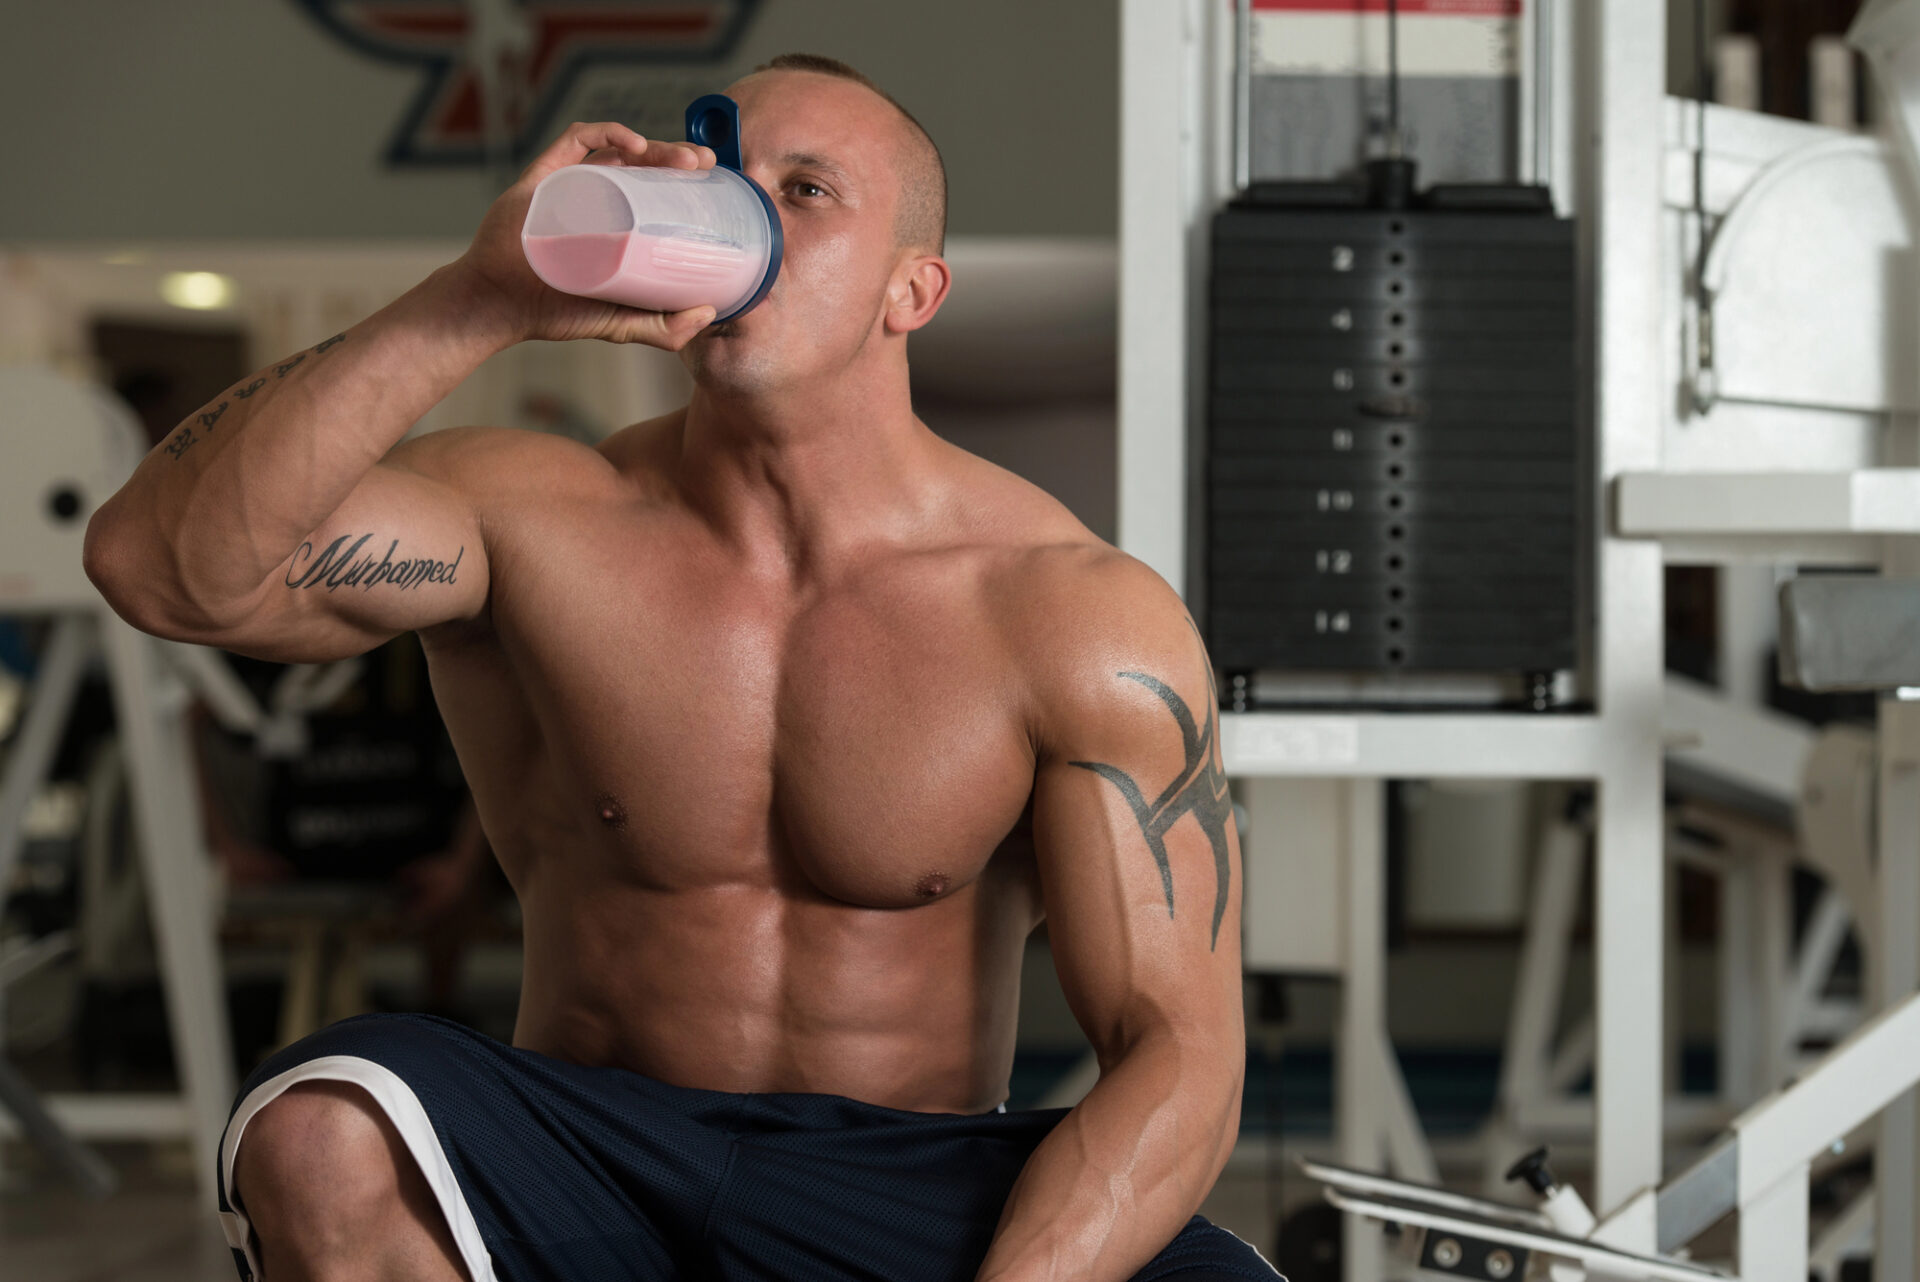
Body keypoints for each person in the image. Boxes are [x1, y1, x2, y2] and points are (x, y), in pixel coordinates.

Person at [83, 53, 1272, 1282]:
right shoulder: (530, 516)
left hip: (897, 1180)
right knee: (326, 1132)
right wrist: (481, 299)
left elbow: (1178, 1050)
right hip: (588, 1151)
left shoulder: (1068, 609)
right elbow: (162, 568)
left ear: (912, 291)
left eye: (805, 191)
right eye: (722, 174)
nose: (744, 211)